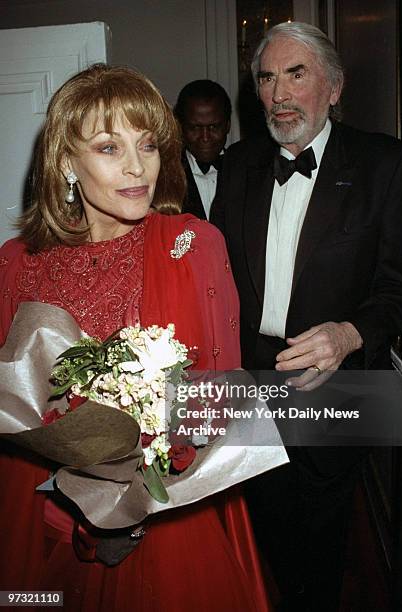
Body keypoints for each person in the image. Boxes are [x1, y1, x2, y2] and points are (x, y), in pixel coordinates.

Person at [0, 63, 271, 612]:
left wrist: (134, 502)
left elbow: (223, 397)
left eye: (147, 145)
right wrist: (79, 500)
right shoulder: (16, 265)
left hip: (170, 514)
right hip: (45, 517)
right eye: (108, 148)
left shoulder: (194, 244)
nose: (136, 168)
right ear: (66, 163)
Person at [210, 21, 402, 612]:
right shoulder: (237, 164)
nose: (279, 94)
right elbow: (217, 282)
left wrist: (349, 333)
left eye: (297, 74)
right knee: (264, 528)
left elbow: (398, 287)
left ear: (336, 86)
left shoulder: (385, 163)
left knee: (322, 542)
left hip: (337, 379)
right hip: (249, 380)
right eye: (267, 78)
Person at [174, 79, 231, 219]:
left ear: (227, 126)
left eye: (214, 127)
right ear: (180, 127)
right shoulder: (166, 176)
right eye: (195, 128)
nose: (205, 137)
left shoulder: (246, 172)